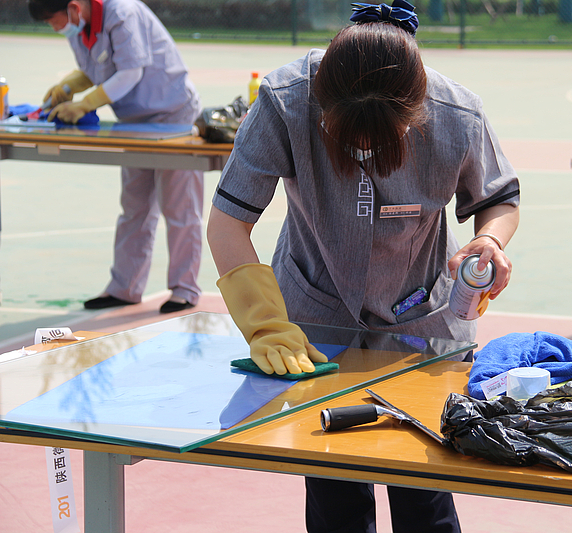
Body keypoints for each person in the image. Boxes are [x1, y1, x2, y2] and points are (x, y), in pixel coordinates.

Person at [206, 1, 520, 530]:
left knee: (424, 487)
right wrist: (265, 325)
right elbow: (227, 224)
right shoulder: (285, 101)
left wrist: (490, 238)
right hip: (315, 316)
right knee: (334, 487)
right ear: (321, 104)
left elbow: (500, 198)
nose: (365, 153)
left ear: (417, 115)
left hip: (421, 321)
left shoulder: (456, 115)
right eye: (349, 140)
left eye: (383, 141)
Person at [28, 0, 204, 314]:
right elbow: (96, 68)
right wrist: (68, 86)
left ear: (73, 7)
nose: (55, 28)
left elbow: (130, 72)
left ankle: (184, 289)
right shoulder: (81, 27)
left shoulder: (122, 13)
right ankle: (125, 287)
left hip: (173, 115)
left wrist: (85, 104)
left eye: (54, 21)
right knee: (134, 206)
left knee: (179, 206)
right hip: (134, 122)